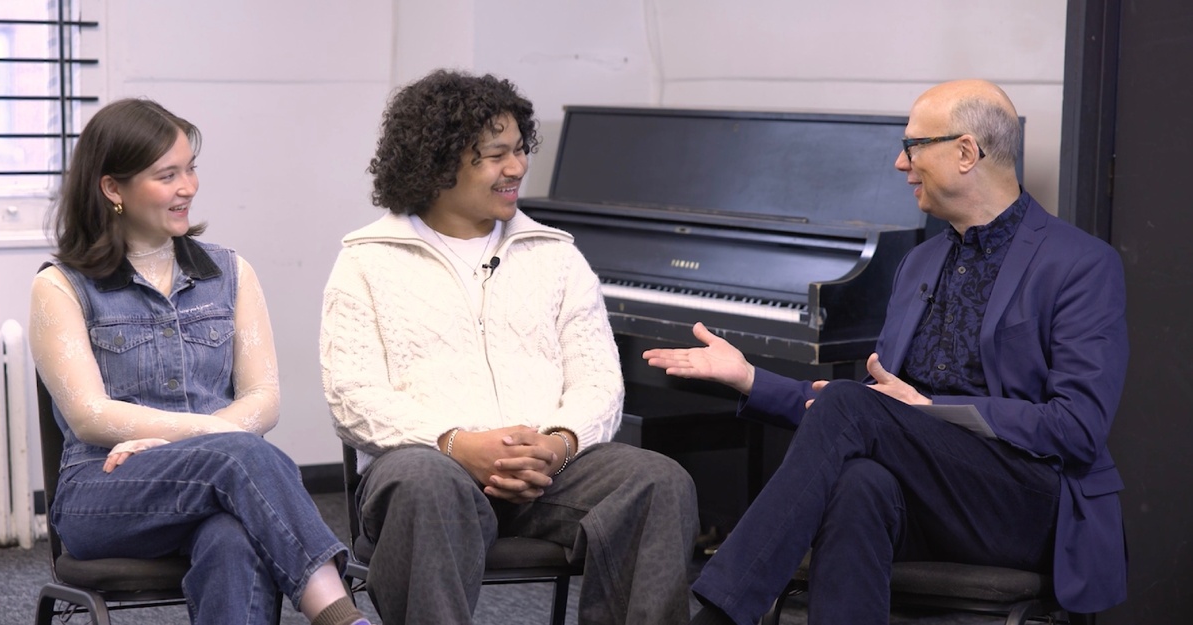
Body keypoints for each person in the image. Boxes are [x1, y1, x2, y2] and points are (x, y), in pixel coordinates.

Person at [644, 79, 1129, 625]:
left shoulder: (1081, 264)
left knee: (855, 417)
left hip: (1026, 505)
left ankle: (717, 616)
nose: (901, 163)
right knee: (859, 484)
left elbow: (1078, 427)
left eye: (914, 145)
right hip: (928, 497)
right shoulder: (919, 263)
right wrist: (750, 379)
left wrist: (935, 411)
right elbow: (866, 412)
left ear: (966, 152)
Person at [320, 69, 699, 625]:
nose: (517, 167)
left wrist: (560, 443)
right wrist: (456, 444)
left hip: (552, 472)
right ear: (438, 163)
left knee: (658, 481)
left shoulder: (556, 255)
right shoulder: (366, 260)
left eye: (520, 149)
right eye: (496, 155)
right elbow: (351, 397)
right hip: (430, 468)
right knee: (423, 482)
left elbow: (599, 380)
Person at [29, 98, 369, 625]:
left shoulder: (232, 273)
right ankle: (340, 614)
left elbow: (264, 401)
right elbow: (90, 416)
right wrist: (206, 438)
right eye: (167, 175)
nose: (188, 186)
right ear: (113, 188)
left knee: (232, 537)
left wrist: (176, 442)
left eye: (190, 169)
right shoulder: (59, 287)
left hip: (220, 482)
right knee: (240, 456)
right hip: (105, 490)